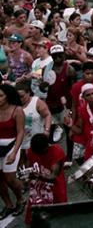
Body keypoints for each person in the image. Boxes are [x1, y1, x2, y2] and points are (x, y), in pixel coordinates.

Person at [23, 133, 66, 226]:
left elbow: (53, 176)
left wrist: (38, 176)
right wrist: (26, 177)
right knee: (33, 217)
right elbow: (28, 165)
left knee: (57, 217)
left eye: (39, 152)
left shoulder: (56, 152)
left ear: (46, 147)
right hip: (37, 190)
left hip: (54, 189)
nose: (37, 154)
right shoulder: (31, 151)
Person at [0, 83, 25, 218]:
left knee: (10, 178)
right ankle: (8, 205)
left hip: (11, 145)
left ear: (7, 96)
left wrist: (15, 152)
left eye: (1, 96)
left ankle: (20, 199)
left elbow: (20, 132)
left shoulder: (17, 110)